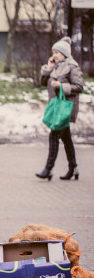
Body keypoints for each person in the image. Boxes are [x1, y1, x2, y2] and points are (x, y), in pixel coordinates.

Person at [36, 36, 84, 181]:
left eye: (57, 52)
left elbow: (80, 87)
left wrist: (61, 86)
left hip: (66, 109)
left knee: (54, 136)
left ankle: (48, 169)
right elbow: (43, 83)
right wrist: (48, 68)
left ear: (65, 53)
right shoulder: (55, 66)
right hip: (56, 108)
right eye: (53, 52)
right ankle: (73, 168)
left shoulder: (72, 66)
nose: (54, 55)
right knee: (66, 138)